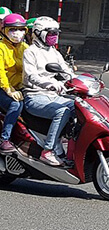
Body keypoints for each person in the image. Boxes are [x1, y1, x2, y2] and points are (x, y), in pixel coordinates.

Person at [22, 16, 75, 167]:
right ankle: (48, 150)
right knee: (62, 111)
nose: (54, 36)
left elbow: (66, 71)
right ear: (39, 33)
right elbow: (31, 76)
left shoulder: (54, 52)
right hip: (35, 96)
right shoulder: (30, 52)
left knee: (79, 107)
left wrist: (80, 81)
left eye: (56, 33)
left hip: (54, 95)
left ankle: (70, 148)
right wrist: (50, 84)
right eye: (51, 33)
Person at [0, 13, 28, 154]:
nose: (17, 33)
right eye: (13, 29)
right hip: (3, 89)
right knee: (16, 104)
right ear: (4, 30)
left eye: (21, 29)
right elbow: (1, 73)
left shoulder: (25, 48)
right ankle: (4, 138)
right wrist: (9, 90)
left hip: (21, 87)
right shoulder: (1, 47)